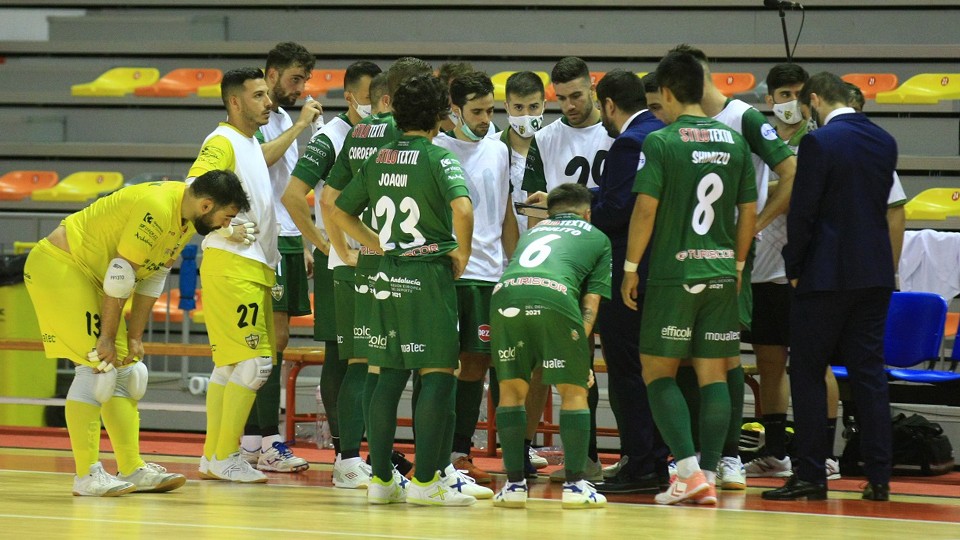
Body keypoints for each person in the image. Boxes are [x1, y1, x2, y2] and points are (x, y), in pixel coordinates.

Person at [23, 171, 246, 496]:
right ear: (207, 204)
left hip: (97, 279)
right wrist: (107, 339)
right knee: (97, 367)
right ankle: (86, 476)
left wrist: (136, 337)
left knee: (128, 373)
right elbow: (120, 274)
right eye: (226, 218)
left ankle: (132, 467)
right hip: (61, 266)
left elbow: (151, 278)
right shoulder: (157, 207)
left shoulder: (185, 220)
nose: (225, 226)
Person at [330, 73, 476, 506]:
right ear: (438, 116)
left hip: (383, 273)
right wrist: (462, 254)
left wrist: (376, 242)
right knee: (436, 374)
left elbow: (338, 210)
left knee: (386, 375)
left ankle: (379, 480)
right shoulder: (439, 157)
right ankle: (427, 481)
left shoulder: (377, 157)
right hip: (426, 274)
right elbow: (463, 209)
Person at [621, 51, 757, 505]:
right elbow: (748, 210)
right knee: (713, 374)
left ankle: (686, 472)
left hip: (674, 273)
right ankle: (713, 473)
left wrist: (630, 268)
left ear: (666, 93)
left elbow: (645, 208)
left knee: (656, 372)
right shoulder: (735, 141)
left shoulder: (661, 142)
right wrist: (737, 265)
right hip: (721, 272)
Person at [669, 44, 797, 491]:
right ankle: (691, 458)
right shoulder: (677, 124)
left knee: (723, 360)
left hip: (733, 262)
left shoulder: (743, 118)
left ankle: (727, 458)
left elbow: (791, 171)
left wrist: (754, 227)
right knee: (687, 359)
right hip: (688, 259)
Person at [763, 72, 897, 502]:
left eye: (807, 107)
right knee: (869, 374)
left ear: (816, 100)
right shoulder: (884, 141)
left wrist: (795, 264)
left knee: (805, 372)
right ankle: (879, 477)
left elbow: (804, 211)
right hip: (875, 274)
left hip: (824, 275)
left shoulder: (818, 143)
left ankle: (810, 476)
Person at [321, 58, 432, 486]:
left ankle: (355, 459)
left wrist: (343, 249)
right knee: (378, 365)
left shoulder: (361, 130)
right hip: (387, 262)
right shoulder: (400, 134)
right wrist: (370, 244)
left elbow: (330, 198)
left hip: (358, 261)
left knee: (361, 363)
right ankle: (370, 465)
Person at [283, 60, 382, 488]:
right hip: (341, 259)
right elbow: (292, 196)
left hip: (377, 256)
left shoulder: (384, 135)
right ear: (350, 97)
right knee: (340, 355)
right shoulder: (331, 137)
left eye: (385, 98)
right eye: (371, 97)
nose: (379, 106)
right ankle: (344, 452)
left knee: (371, 356)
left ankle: (363, 451)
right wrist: (322, 245)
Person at [491, 183, 611, 510]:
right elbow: (591, 300)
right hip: (555, 297)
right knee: (574, 391)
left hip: (505, 295)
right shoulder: (597, 236)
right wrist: (577, 357)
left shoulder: (535, 231)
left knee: (512, 390)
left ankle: (514, 485)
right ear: (588, 213)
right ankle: (575, 485)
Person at [522, 56, 612, 482]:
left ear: (593, 87)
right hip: (564, 267)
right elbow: (532, 209)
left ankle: (640, 457)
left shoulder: (616, 133)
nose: (570, 104)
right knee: (554, 363)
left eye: (577, 95)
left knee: (622, 365)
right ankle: (584, 457)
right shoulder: (545, 138)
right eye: (563, 98)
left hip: (611, 257)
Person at [189, 67, 281, 483]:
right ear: (234, 102)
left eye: (267, 94)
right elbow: (193, 187)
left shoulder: (249, 141)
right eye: (259, 96)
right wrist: (223, 226)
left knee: (229, 366)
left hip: (253, 263)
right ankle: (227, 454)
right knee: (255, 362)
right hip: (231, 262)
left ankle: (213, 456)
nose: (269, 102)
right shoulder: (221, 141)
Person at [240, 41, 322, 474]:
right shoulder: (260, 120)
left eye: (305, 79)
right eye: (295, 79)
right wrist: (302, 126)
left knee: (280, 340)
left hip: (288, 238)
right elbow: (260, 162)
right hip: (263, 240)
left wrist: (305, 242)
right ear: (271, 75)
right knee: (266, 341)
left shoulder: (286, 117)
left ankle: (254, 441)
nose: (301, 87)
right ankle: (262, 438)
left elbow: (290, 187)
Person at [433, 71, 518, 484]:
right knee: (439, 365)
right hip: (446, 272)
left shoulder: (498, 149)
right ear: (454, 109)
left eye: (490, 110)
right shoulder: (434, 148)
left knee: (477, 363)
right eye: (477, 111)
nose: (486, 118)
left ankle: (459, 451)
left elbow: (504, 213)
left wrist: (514, 266)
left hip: (488, 273)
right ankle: (434, 454)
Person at [588, 70, 670, 494]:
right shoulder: (665, 133)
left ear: (608, 104)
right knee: (654, 370)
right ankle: (656, 459)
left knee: (626, 371)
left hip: (629, 272)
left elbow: (617, 209)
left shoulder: (628, 142)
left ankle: (640, 463)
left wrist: (587, 207)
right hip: (666, 270)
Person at [497, 71, 552, 474]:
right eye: (518, 108)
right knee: (494, 361)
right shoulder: (489, 149)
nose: (526, 115)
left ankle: (526, 444)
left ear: (544, 106)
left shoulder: (552, 147)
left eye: (534, 107)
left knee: (537, 363)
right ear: (506, 108)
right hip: (494, 265)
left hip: (540, 265)